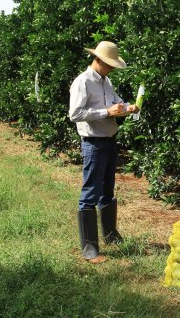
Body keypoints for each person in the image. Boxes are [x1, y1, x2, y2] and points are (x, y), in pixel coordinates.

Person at [69, 40, 139, 262]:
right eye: (108, 64)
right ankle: (89, 247)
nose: (110, 69)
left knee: (107, 190)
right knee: (90, 192)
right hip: (93, 143)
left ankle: (110, 234)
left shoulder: (106, 81)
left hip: (109, 141)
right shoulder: (83, 82)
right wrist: (105, 112)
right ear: (97, 59)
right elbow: (75, 114)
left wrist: (128, 108)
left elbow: (117, 103)